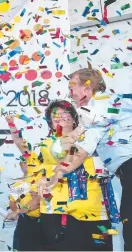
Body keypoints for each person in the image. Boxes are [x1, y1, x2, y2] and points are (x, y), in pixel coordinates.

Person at [40, 68, 131, 249]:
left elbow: (78, 149)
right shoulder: (104, 110)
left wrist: (56, 172)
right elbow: (80, 149)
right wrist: (57, 172)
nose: (70, 93)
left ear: (87, 88)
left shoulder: (99, 106)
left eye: (72, 87)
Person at [38, 99, 112, 251]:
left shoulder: (93, 138)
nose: (60, 116)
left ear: (74, 117)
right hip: (59, 212)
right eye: (55, 115)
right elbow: (60, 153)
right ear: (51, 123)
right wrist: (80, 131)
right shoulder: (47, 143)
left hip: (94, 209)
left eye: (65, 113)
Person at [4, 115, 43, 251]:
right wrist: (11, 123)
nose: (24, 164)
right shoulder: (18, 185)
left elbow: (40, 201)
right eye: (22, 162)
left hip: (44, 222)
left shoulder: (51, 170)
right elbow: (18, 141)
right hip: (26, 221)